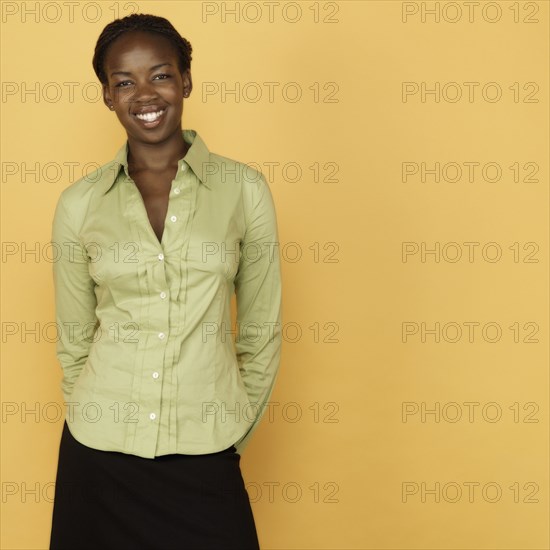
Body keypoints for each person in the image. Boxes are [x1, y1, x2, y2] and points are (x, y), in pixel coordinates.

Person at [48, 13, 282, 550]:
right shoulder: (79, 204)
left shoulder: (243, 190)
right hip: (98, 458)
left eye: (161, 74)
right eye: (124, 82)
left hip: (206, 452)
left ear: (186, 81)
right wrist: (92, 414)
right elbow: (74, 339)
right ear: (107, 96)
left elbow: (262, 330)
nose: (144, 94)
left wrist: (228, 430)